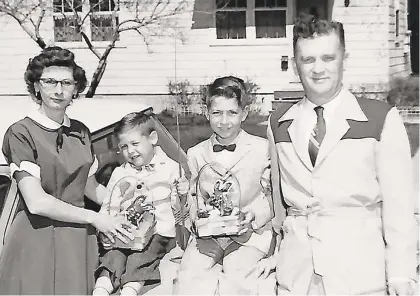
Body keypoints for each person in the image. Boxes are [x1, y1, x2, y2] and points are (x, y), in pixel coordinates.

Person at [266, 14, 417, 295]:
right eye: (307, 60)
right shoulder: (279, 123)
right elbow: (276, 204)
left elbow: (399, 207)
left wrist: (400, 273)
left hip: (359, 275)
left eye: (328, 58)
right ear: (296, 64)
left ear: (344, 59)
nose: (318, 69)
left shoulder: (379, 119)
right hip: (297, 276)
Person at [0, 46, 133, 295]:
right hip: (36, 238)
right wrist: (95, 218)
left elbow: (89, 187)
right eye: (50, 82)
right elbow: (36, 202)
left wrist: (131, 204)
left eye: (66, 83)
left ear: (75, 89)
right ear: (36, 86)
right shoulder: (21, 133)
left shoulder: (81, 131)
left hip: (76, 240)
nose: (58, 90)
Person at [174, 76, 275, 295]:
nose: (224, 121)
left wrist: (254, 216)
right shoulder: (196, 154)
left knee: (238, 279)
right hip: (208, 235)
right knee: (187, 279)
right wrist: (185, 200)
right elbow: (193, 202)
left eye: (232, 113)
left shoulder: (262, 149)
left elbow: (272, 196)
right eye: (217, 113)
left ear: (244, 113)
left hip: (249, 235)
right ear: (207, 113)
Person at [93, 112, 189, 296]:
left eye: (135, 144)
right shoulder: (120, 173)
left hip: (159, 233)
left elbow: (180, 210)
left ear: (152, 138)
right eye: (124, 147)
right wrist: (105, 229)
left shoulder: (170, 168)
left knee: (141, 257)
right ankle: (101, 289)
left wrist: (182, 193)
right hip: (128, 231)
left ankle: (130, 290)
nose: (131, 151)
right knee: (113, 255)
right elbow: (109, 204)